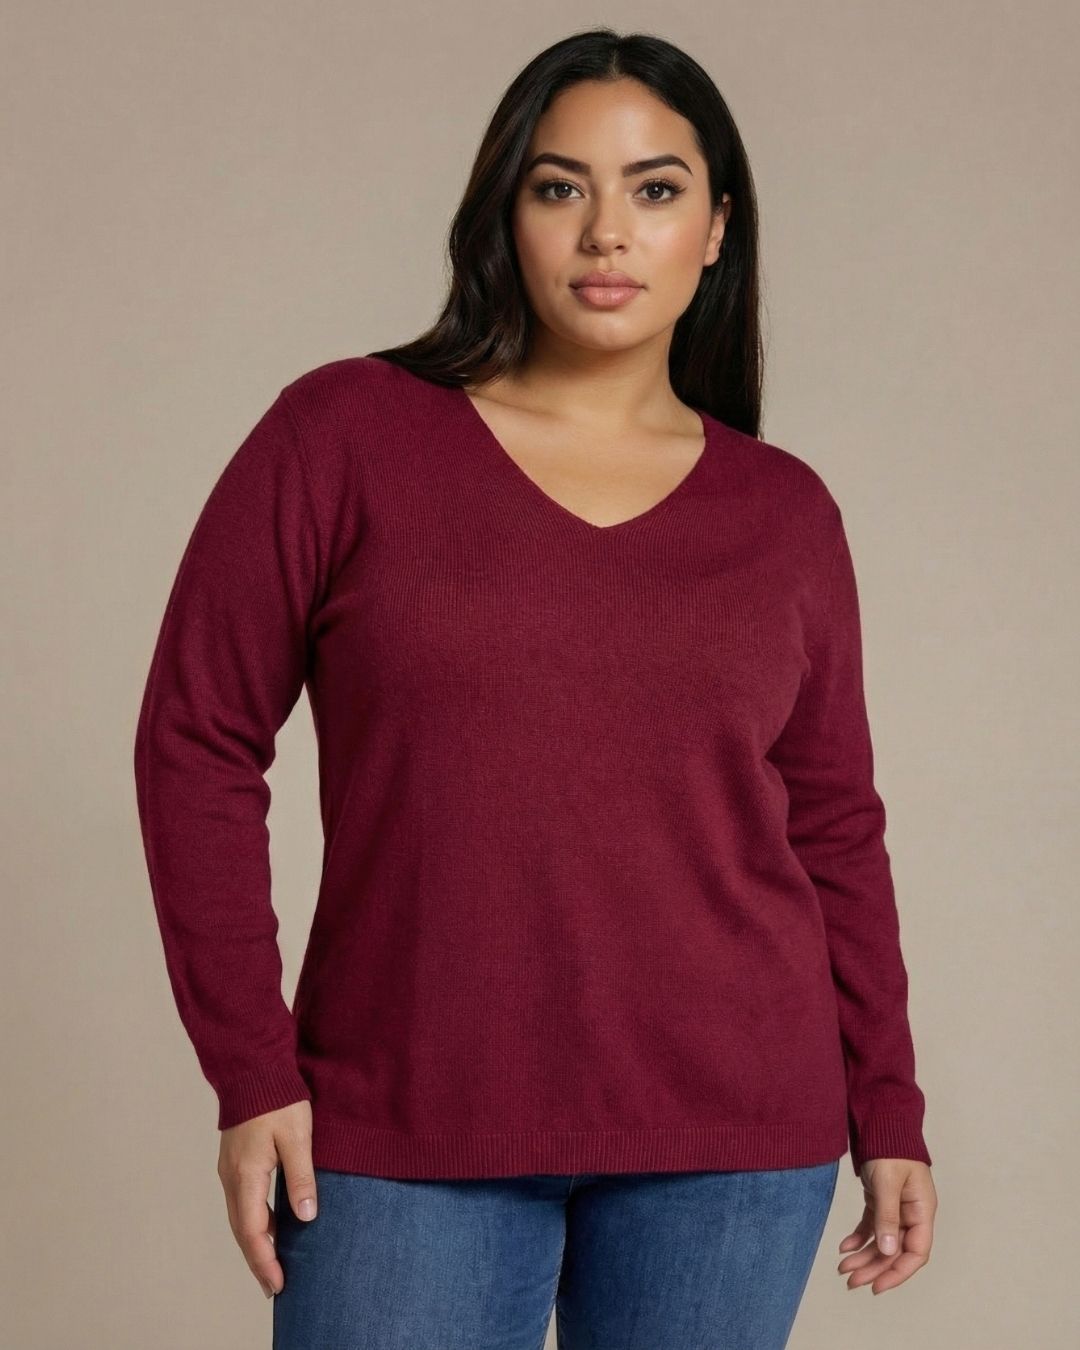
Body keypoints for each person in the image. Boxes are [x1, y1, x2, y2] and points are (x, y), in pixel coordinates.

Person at [133, 26, 937, 1350]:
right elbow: (197, 739)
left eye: (656, 188)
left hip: (735, 1139)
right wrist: (251, 1070)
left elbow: (834, 824)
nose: (607, 231)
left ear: (717, 229)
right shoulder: (344, 436)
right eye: (561, 186)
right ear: (505, 213)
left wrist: (889, 1107)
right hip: (403, 1114)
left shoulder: (784, 513)